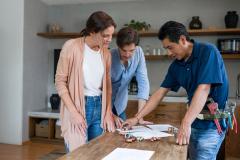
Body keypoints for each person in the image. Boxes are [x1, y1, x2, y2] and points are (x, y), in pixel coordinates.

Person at [122, 21, 229, 160]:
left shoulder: (208, 52)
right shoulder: (176, 66)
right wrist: (136, 118)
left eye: (170, 47)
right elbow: (160, 93)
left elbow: (203, 89)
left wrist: (185, 123)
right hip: (193, 122)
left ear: (183, 40)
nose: (169, 53)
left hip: (211, 126)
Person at [55, 11, 116, 152]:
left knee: (97, 153)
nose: (109, 39)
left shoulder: (106, 53)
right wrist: (74, 113)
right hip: (78, 106)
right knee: (78, 154)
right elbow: (60, 82)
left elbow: (107, 86)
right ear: (92, 32)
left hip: (99, 107)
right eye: (105, 35)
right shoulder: (71, 46)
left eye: (111, 35)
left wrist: (107, 112)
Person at [111, 27, 151, 128]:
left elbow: (143, 83)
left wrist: (140, 116)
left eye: (131, 50)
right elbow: (101, 90)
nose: (128, 54)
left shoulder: (139, 53)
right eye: (124, 50)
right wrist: (110, 114)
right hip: (103, 107)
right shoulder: (109, 56)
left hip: (120, 106)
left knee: (123, 136)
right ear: (118, 46)